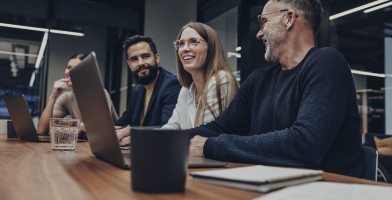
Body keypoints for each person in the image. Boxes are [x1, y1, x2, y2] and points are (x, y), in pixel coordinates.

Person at [186, 0, 365, 178]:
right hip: (272, 185)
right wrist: (168, 139)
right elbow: (219, 128)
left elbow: (305, 146)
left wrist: (212, 146)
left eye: (264, 22)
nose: (258, 34)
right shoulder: (257, 81)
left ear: (288, 18)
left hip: (329, 189)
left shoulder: (327, 63)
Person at [116, 23, 240, 144]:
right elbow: (171, 127)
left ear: (211, 47)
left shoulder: (222, 79)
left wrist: (141, 137)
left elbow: (203, 135)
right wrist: (137, 135)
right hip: (190, 158)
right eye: (181, 43)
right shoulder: (186, 90)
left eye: (193, 41)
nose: (185, 48)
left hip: (218, 163)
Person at [115, 36, 182, 145]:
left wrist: (134, 136)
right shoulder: (137, 91)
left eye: (145, 56)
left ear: (156, 58)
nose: (140, 63)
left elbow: (167, 129)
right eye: (134, 59)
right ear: (129, 64)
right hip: (138, 152)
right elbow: (121, 123)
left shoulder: (172, 85)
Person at [38, 53, 118, 137]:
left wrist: (72, 126)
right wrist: (53, 96)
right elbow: (43, 130)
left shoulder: (100, 93)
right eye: (68, 67)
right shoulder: (66, 97)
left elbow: (99, 129)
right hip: (86, 145)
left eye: (76, 68)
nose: (69, 72)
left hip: (112, 145)